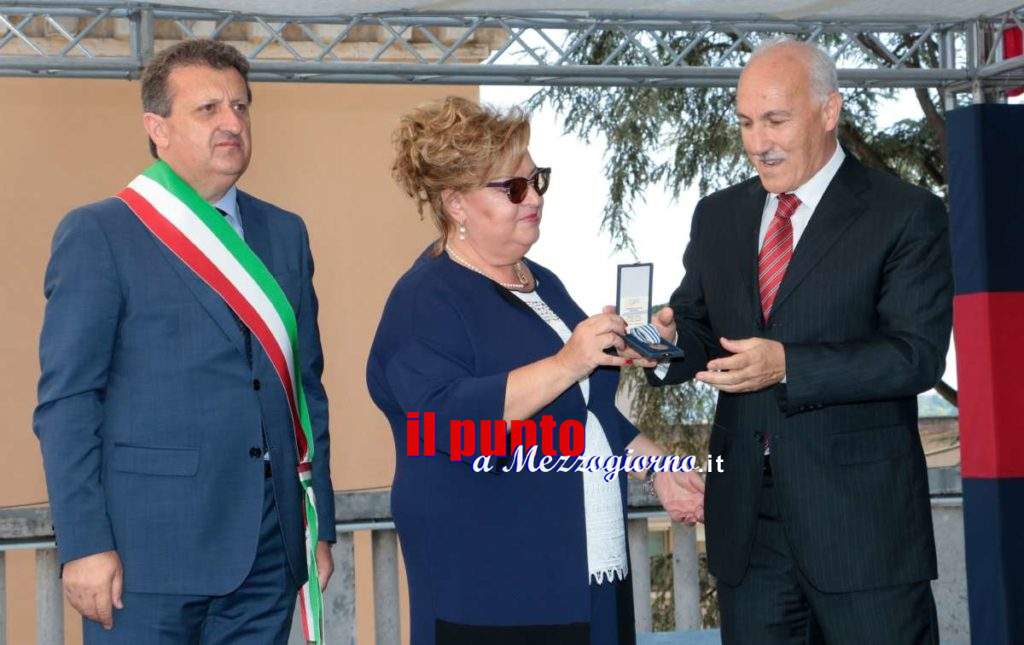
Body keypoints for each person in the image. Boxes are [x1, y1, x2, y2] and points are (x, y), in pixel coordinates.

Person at [640, 38, 952, 643]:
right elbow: (699, 327)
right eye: (746, 123)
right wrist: (663, 342)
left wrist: (788, 366)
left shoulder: (905, 213)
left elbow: (914, 356)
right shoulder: (718, 215)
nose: (758, 142)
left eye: (776, 120)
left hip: (862, 528)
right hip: (747, 527)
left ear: (829, 111)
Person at [366, 96, 705, 645]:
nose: (536, 198)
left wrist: (658, 465)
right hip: (494, 588)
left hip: (585, 568)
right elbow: (446, 422)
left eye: (537, 180)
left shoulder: (542, 283)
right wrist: (569, 361)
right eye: (514, 188)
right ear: (456, 204)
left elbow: (583, 413)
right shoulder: (424, 299)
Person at [33, 39, 336, 643]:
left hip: (269, 551)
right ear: (158, 128)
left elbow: (305, 389)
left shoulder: (284, 233)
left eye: (241, 107)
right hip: (146, 557)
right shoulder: (101, 232)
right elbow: (68, 402)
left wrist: (318, 524)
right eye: (208, 109)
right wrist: (84, 543)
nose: (232, 123)